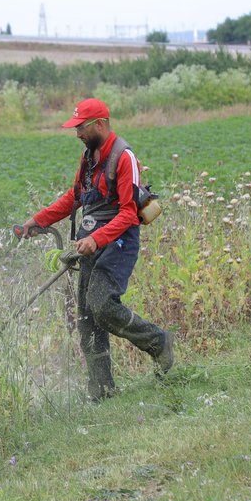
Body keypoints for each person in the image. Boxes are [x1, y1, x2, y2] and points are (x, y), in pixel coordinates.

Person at [22, 97, 174, 401]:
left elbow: (130, 214)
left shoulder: (123, 156)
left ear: (100, 124)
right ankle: (102, 392)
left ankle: (158, 342)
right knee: (87, 319)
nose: (77, 132)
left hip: (118, 242)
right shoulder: (88, 156)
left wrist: (97, 239)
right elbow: (74, 197)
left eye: (80, 126)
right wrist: (38, 220)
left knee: (102, 304)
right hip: (90, 242)